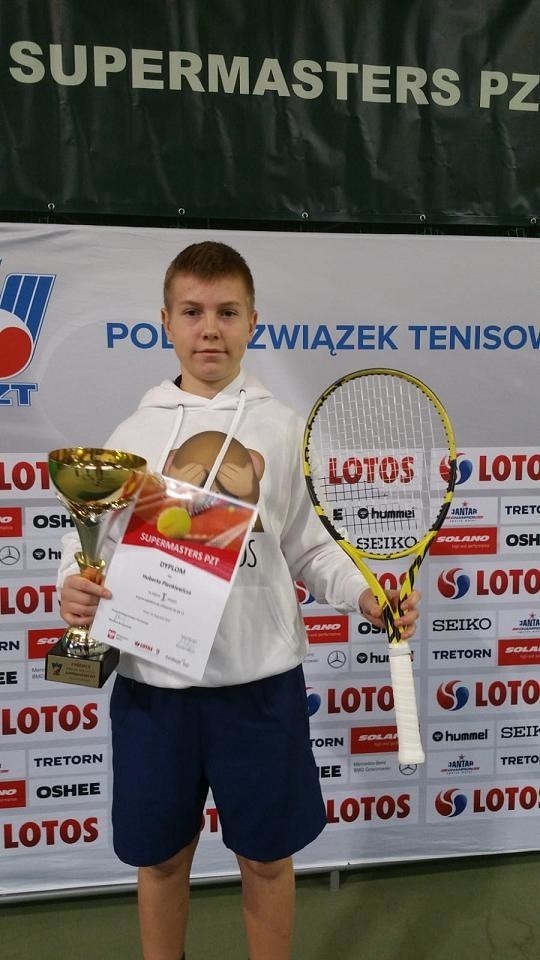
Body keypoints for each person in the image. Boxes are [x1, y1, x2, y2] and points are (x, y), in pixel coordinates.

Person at [57, 241, 419, 960]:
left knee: (266, 859)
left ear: (254, 321)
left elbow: (310, 550)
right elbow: (89, 548)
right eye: (192, 312)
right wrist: (75, 591)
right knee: (159, 859)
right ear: (165, 321)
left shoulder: (282, 429)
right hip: (154, 691)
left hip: (259, 690)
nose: (210, 329)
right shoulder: (131, 438)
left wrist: (367, 597)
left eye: (226, 312)